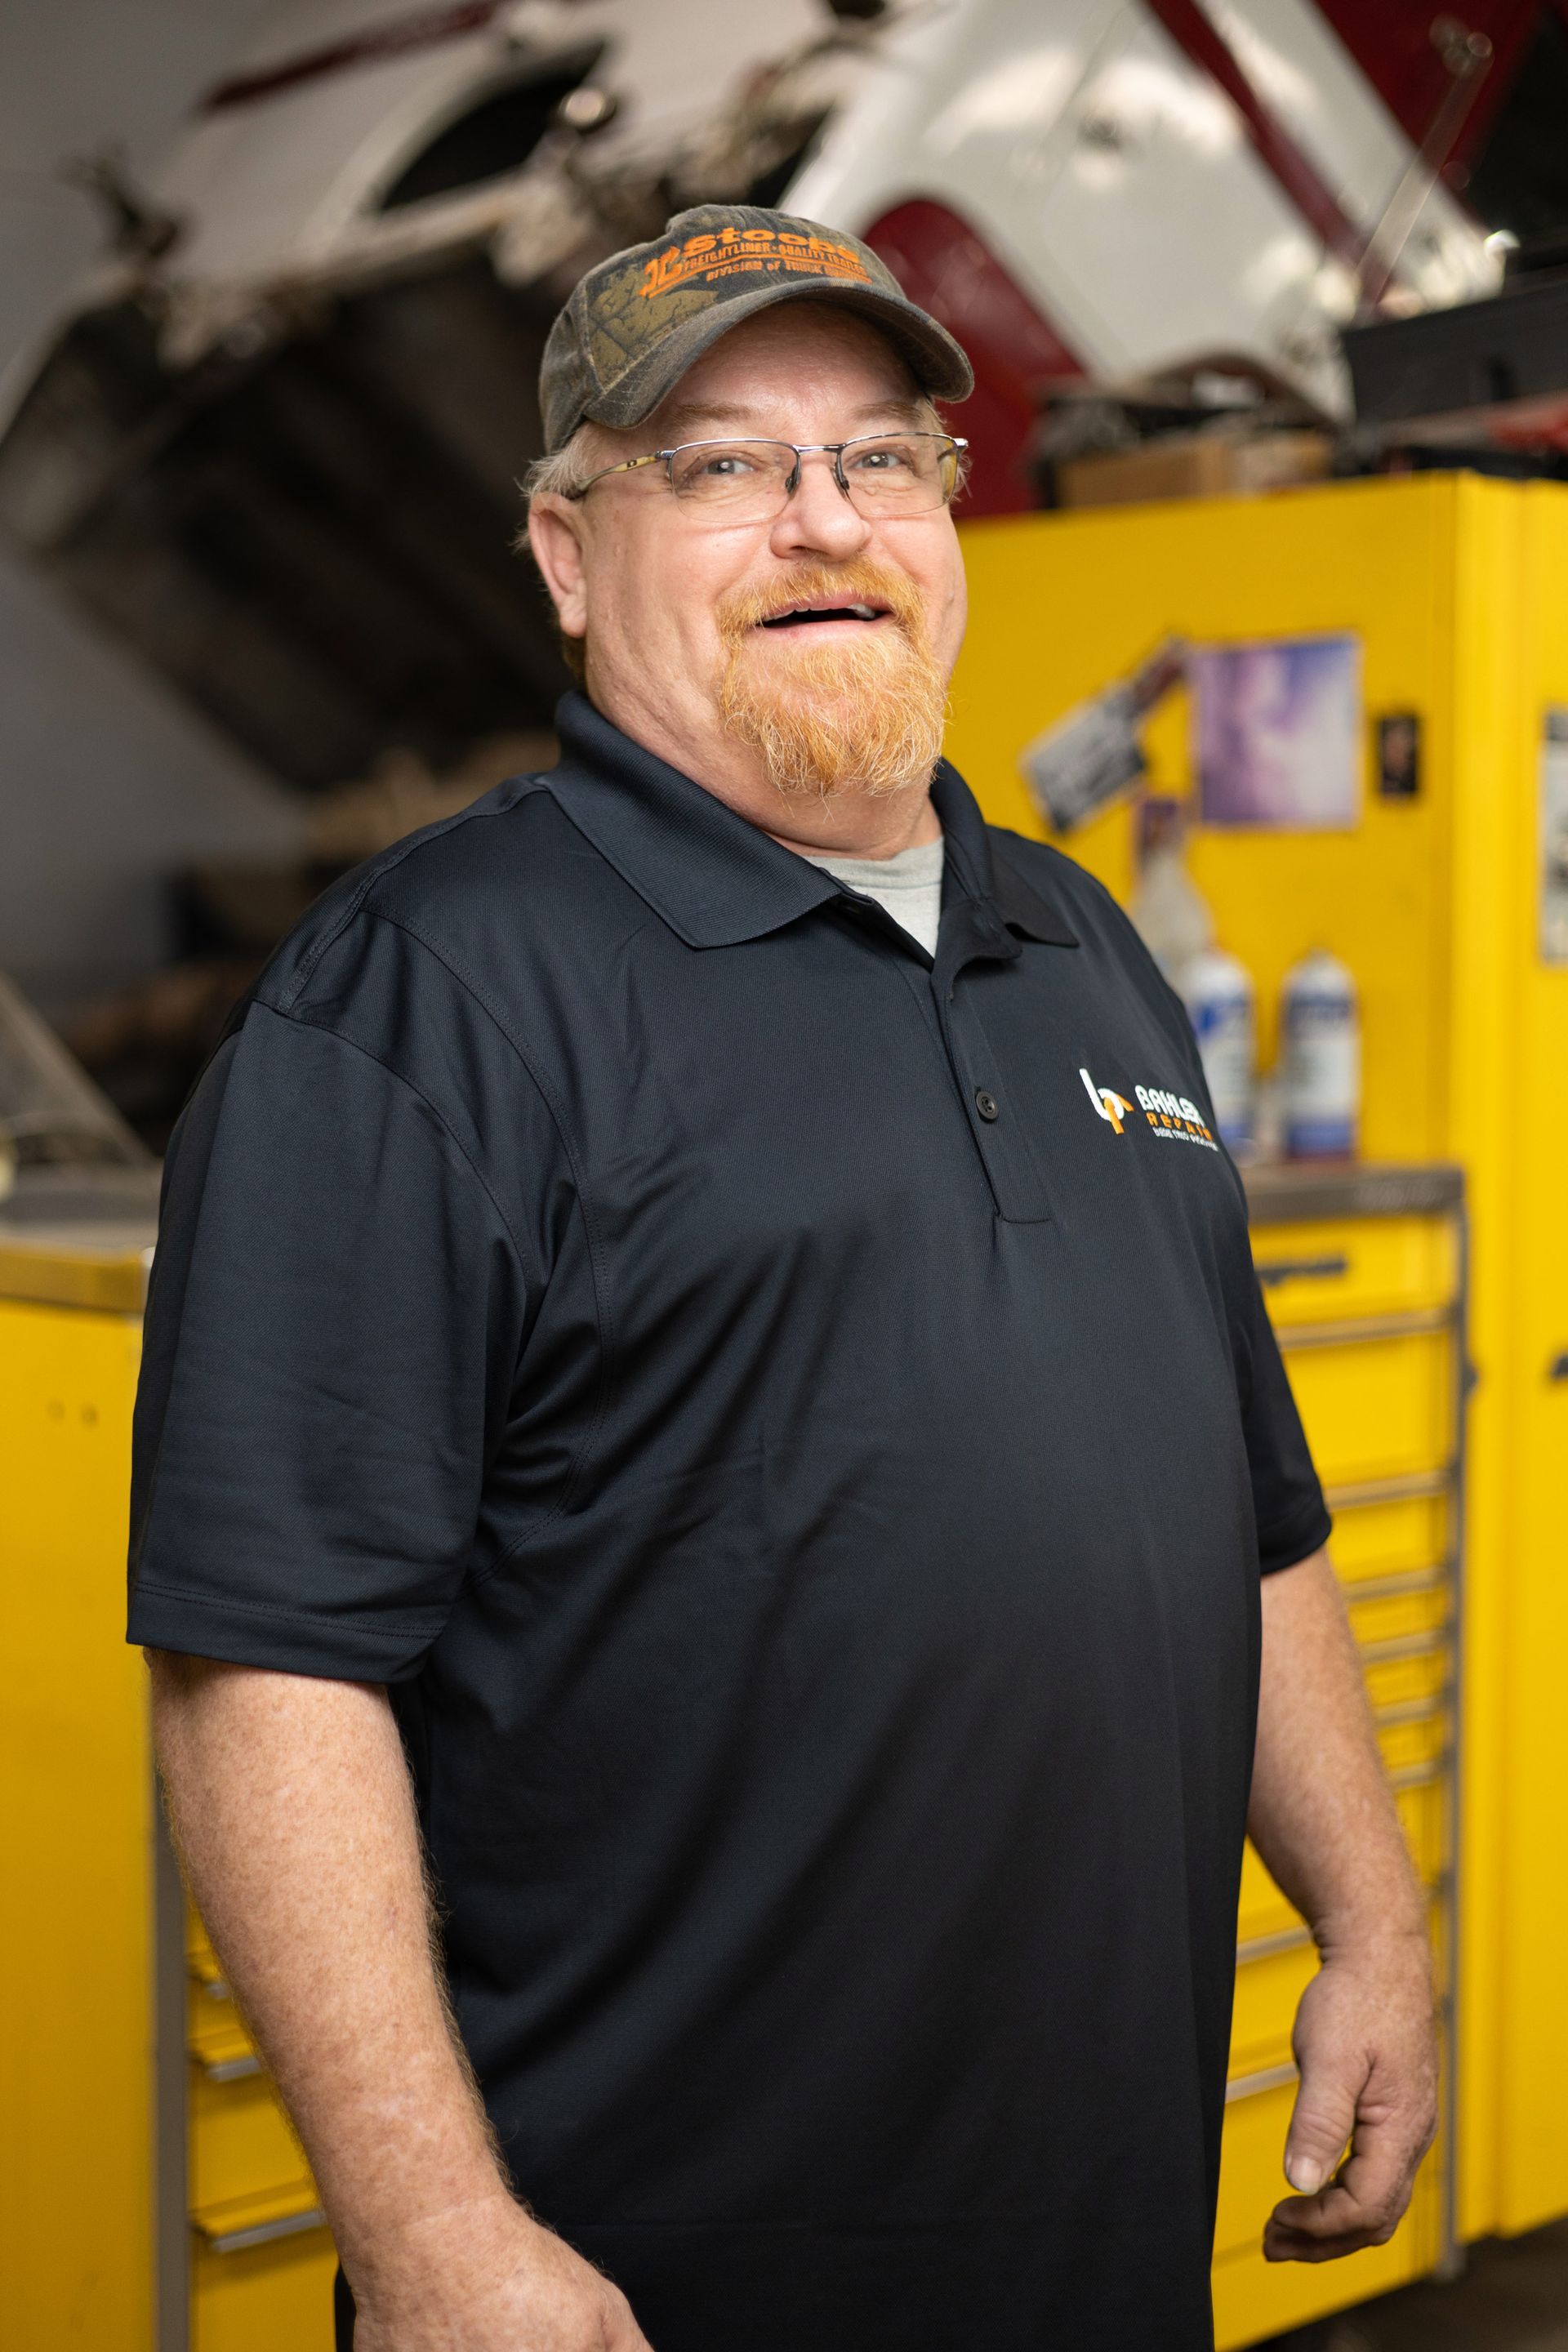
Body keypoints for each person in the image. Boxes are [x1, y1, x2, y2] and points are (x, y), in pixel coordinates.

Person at [130, 205, 1437, 2352]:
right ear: (568, 554)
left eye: (883, 459)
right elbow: (265, 1670)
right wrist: (443, 2239)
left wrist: (1373, 1926)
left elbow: (1248, 1512)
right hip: (648, 2286)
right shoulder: (425, 999)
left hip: (1098, 2256)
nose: (823, 522)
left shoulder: (1084, 947)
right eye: (723, 464)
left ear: (945, 514)